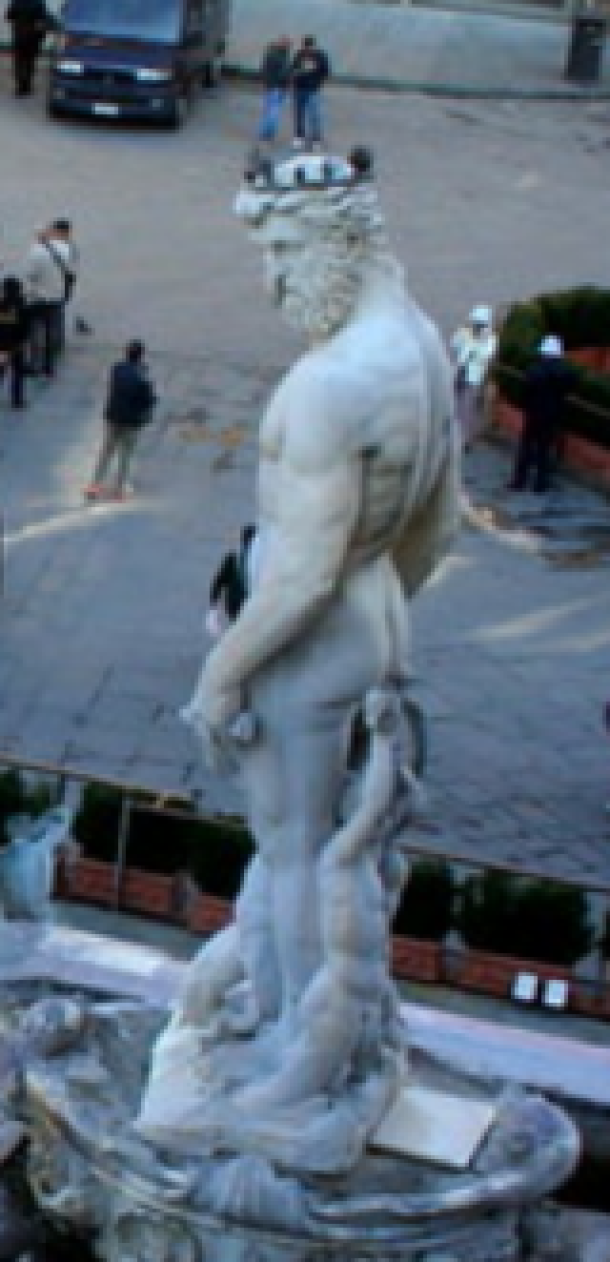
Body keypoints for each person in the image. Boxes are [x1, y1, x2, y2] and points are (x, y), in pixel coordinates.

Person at [136, 148, 460, 1161]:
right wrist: (380, 613)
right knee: (331, 848)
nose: (273, 280)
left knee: (295, 853)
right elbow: (439, 524)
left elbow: (304, 571)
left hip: (306, 640)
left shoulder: (332, 383)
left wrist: (220, 673)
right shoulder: (419, 345)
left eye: (283, 251)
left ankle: (293, 1063)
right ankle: (307, 1032)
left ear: (338, 240)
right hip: (370, 617)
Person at [84, 340, 156, 502]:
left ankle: (94, 486)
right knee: (125, 456)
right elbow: (147, 400)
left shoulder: (117, 368)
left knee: (106, 453)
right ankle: (118, 490)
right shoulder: (143, 376)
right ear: (141, 355)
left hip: (114, 416)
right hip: (131, 421)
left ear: (126, 353)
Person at [508, 334, 577, 494]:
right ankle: (540, 484)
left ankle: (519, 480)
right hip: (552, 416)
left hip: (534, 414)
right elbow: (571, 385)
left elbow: (526, 391)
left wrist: (527, 405)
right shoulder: (566, 373)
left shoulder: (534, 370)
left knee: (526, 447)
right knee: (544, 450)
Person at [23, 220, 74, 377]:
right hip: (57, 296)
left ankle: (35, 365)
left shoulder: (35, 252)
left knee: (36, 331)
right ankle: (49, 366)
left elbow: (30, 275)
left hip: (38, 298)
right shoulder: (63, 249)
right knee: (52, 330)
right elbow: (70, 270)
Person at [450, 303, 497, 450]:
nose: (476, 327)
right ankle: (451, 435)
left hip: (474, 378)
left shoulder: (490, 339)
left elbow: (485, 356)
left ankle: (464, 440)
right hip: (459, 372)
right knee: (454, 404)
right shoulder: (465, 333)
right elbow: (454, 346)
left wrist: (477, 342)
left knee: (467, 408)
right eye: (475, 323)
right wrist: (461, 336)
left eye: (480, 324)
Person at [206, 524, 257, 638]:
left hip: (234, 606)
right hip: (244, 605)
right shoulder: (237, 559)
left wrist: (213, 608)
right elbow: (218, 582)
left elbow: (218, 583)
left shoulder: (233, 558)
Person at [5, 0, 55, 96]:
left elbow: (9, 16)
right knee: (30, 61)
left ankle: (20, 86)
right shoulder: (39, 3)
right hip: (33, 37)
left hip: (19, 36)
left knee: (19, 62)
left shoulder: (16, 2)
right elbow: (43, 19)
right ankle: (27, 85)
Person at [290, 34, 330, 149]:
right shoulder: (299, 55)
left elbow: (326, 71)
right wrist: (297, 73)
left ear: (313, 46)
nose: (307, 49)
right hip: (299, 88)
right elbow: (293, 69)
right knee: (299, 114)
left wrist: (317, 80)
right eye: (305, 46)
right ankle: (299, 137)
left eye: (309, 47)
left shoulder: (321, 56)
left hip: (313, 89)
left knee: (314, 115)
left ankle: (316, 139)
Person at [0, 276, 29, 410]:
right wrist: (23, 340)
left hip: (3, 346)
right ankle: (17, 400)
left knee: (1, 370)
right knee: (18, 373)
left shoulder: (2, 305)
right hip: (18, 345)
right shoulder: (22, 305)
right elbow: (25, 327)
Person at [256, 36, 292, 143]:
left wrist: (264, 83)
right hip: (277, 87)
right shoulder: (280, 56)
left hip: (271, 86)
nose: (289, 46)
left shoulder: (273, 54)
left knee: (268, 110)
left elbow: (263, 70)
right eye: (287, 44)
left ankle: (264, 132)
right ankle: (268, 134)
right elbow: (283, 73)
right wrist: (287, 81)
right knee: (273, 111)